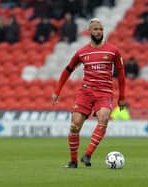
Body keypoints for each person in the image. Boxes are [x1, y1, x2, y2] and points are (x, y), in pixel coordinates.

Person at [51, 18, 126, 168]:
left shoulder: (113, 51)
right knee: (74, 126)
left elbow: (121, 73)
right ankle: (73, 161)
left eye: (100, 29)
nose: (98, 32)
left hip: (104, 93)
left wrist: (122, 97)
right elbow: (68, 70)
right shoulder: (82, 53)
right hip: (85, 93)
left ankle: (87, 154)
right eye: (95, 29)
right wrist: (57, 91)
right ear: (89, 31)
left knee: (103, 119)